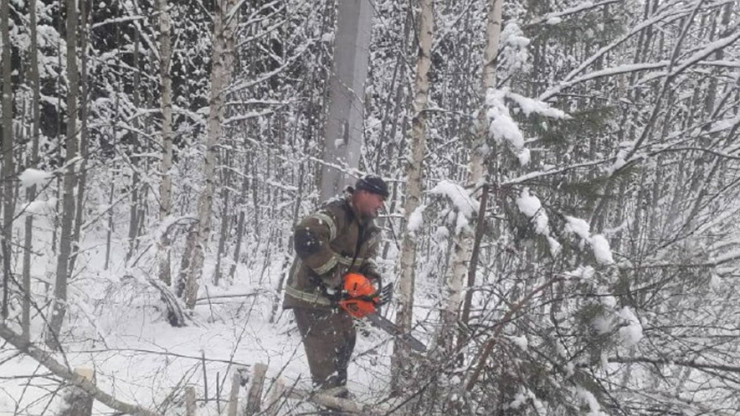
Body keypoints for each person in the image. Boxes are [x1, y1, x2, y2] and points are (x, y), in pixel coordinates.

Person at [283, 175, 389, 395]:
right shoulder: (336, 213)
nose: (382, 205)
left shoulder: (368, 228)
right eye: (379, 198)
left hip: (335, 300)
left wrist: (369, 281)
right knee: (327, 349)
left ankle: (336, 394)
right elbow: (306, 235)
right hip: (311, 295)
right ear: (364, 193)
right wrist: (335, 276)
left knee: (346, 340)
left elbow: (367, 259)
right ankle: (329, 398)